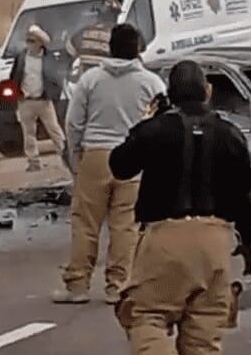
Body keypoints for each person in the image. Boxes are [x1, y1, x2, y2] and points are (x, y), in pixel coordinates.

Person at [109, 60, 251, 355]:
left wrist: (147, 121)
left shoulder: (156, 130)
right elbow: (246, 192)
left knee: (144, 314)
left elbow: (120, 166)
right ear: (207, 91)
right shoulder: (230, 134)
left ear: (168, 94)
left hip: (165, 237)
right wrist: (249, 240)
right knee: (204, 333)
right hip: (217, 240)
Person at [53, 23, 167, 306]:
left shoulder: (91, 79)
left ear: (110, 48)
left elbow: (74, 122)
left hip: (96, 155)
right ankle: (118, 285)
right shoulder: (152, 83)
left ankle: (77, 284)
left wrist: (75, 157)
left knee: (85, 223)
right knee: (125, 225)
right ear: (138, 48)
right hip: (134, 157)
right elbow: (161, 124)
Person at [9, 24, 69, 175]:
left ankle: (66, 156)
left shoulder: (48, 60)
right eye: (28, 41)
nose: (29, 44)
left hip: (44, 100)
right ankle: (33, 161)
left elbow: (56, 80)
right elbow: (14, 77)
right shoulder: (22, 58)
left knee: (54, 130)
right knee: (28, 133)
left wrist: (53, 96)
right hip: (26, 101)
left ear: (40, 43)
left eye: (32, 41)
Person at [66, 0, 124, 78]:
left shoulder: (83, 33)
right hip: (110, 83)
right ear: (116, 16)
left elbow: (70, 51)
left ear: (99, 14)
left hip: (87, 83)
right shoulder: (120, 35)